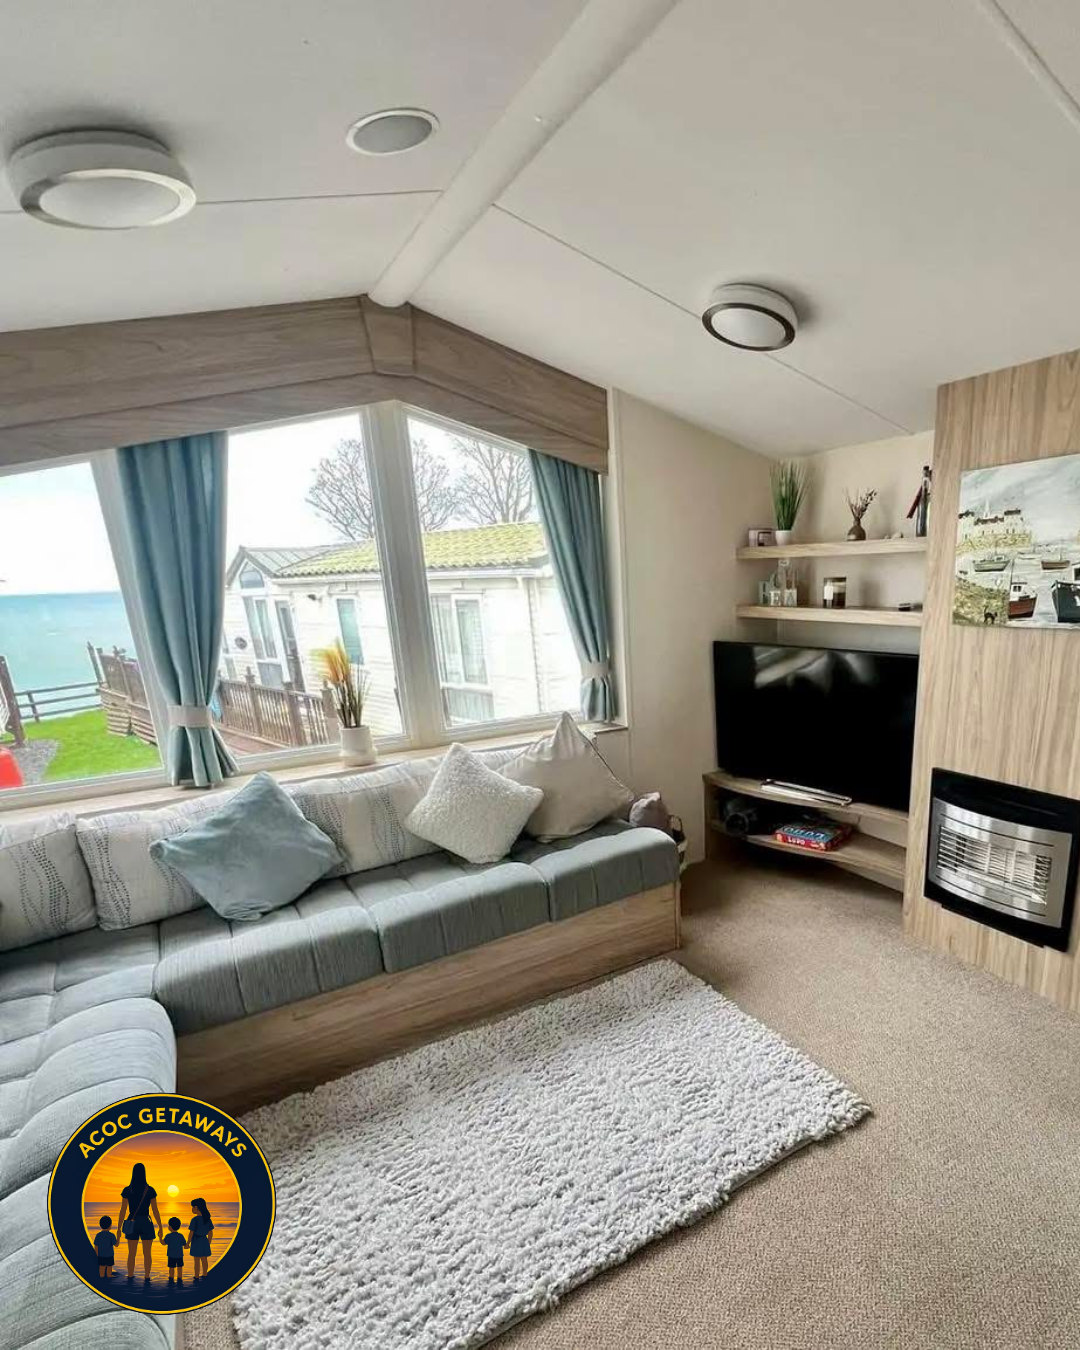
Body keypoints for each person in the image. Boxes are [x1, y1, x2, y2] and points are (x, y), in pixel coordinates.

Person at [116, 1161, 163, 1282]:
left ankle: (130, 1276)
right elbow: (155, 1210)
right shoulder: (150, 1190)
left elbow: (123, 1210)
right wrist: (160, 1227)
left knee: (131, 1253)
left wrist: (119, 1228)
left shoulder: (128, 1190)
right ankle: (147, 1276)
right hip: (146, 1222)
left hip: (132, 1221)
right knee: (147, 1253)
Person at [188, 1198, 214, 1281]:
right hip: (204, 1240)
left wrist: (188, 1242)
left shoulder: (195, 1220)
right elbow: (210, 1232)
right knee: (204, 1259)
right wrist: (209, 1242)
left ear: (197, 1207)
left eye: (193, 1207)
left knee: (197, 1260)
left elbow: (191, 1232)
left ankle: (196, 1276)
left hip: (196, 1240)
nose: (192, 1209)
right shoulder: (207, 1219)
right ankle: (205, 1274)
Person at [161, 1216, 187, 1285]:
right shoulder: (181, 1236)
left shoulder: (168, 1236)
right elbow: (185, 1244)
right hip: (179, 1255)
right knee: (180, 1267)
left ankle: (171, 1278)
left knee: (171, 1268)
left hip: (171, 1255)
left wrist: (160, 1237)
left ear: (170, 1227)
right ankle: (180, 1278)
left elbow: (163, 1243)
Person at [93, 1215, 117, 1279]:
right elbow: (116, 1244)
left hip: (101, 1255)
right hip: (109, 1255)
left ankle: (101, 1276)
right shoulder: (112, 1235)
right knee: (109, 1266)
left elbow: (96, 1246)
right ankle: (109, 1275)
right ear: (110, 1226)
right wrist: (118, 1237)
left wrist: (97, 1255)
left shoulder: (98, 1235)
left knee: (102, 1266)